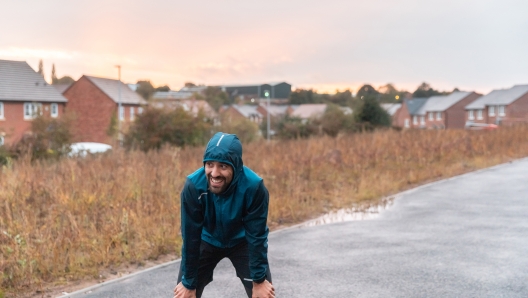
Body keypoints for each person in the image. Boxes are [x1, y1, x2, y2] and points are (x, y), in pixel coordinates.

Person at [174, 132, 275, 298]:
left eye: (223, 166)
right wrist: (189, 283)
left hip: (242, 241)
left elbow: (257, 236)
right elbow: (190, 237)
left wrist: (258, 279)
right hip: (207, 239)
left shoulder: (253, 187)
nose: (214, 173)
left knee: (263, 295)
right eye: (210, 164)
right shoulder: (193, 186)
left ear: (236, 167)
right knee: (185, 294)